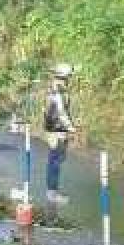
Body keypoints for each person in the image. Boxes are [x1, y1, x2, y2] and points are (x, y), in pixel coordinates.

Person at [44, 63, 76, 205]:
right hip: (57, 130)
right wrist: (71, 128)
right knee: (55, 161)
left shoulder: (53, 88)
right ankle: (52, 193)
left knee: (55, 160)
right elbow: (61, 112)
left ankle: (52, 192)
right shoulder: (58, 91)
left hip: (53, 128)